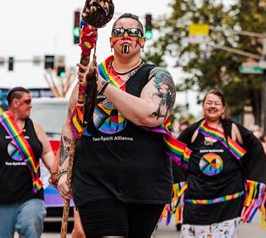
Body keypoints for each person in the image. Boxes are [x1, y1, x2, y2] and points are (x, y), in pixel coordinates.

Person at [58, 13, 180, 238]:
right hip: (95, 181)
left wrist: (102, 87)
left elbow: (149, 115)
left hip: (145, 184)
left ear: (142, 40)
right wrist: (64, 171)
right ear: (111, 40)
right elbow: (70, 125)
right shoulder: (90, 76)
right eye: (119, 32)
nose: (126, 36)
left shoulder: (157, 77)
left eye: (133, 32)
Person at [176, 90, 266, 237]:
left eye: (217, 103)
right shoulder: (194, 131)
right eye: (209, 103)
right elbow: (175, 152)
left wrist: (255, 181)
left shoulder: (233, 129)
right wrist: (179, 182)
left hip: (229, 197)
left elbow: (255, 148)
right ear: (203, 107)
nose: (212, 106)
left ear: (223, 108)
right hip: (197, 198)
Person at [0, 87, 56, 238]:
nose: (30, 105)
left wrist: (55, 172)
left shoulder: (35, 127)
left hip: (30, 195)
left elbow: (46, 152)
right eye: (27, 102)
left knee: (31, 227)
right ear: (15, 103)